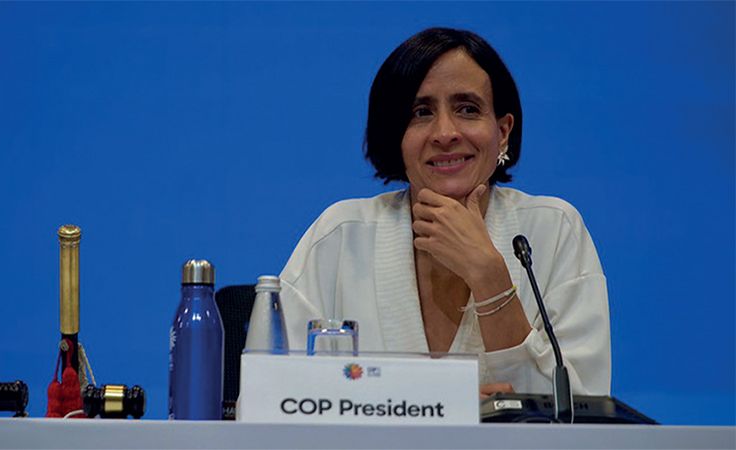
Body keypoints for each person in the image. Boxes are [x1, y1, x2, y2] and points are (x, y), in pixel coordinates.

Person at [247, 27, 610, 397]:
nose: (445, 132)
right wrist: (440, 402)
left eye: (467, 109)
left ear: (502, 132)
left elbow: (581, 418)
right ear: (396, 135)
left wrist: (490, 279)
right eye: (421, 112)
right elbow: (264, 401)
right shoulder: (342, 236)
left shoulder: (553, 230)